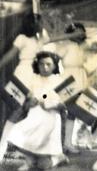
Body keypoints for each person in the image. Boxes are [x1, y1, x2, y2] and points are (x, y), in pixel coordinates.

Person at [0, 14, 55, 162]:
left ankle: (21, 149)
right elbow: (11, 55)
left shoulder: (41, 38)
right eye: (39, 21)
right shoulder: (22, 38)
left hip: (36, 77)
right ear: (31, 24)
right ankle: (2, 147)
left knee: (31, 111)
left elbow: (55, 36)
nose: (42, 24)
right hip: (23, 74)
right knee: (18, 110)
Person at [7, 51, 68, 170]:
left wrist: (51, 105)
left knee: (44, 166)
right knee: (13, 133)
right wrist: (29, 103)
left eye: (48, 64)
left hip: (50, 118)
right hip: (33, 115)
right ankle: (31, 159)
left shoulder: (60, 80)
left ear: (55, 65)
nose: (45, 67)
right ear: (37, 65)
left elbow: (65, 105)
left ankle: (57, 158)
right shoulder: (33, 79)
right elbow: (25, 103)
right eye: (41, 64)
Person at [56, 22, 90, 153]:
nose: (79, 34)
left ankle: (68, 143)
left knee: (73, 112)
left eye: (81, 32)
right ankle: (57, 144)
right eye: (76, 32)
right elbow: (54, 58)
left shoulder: (84, 47)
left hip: (80, 78)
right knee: (61, 110)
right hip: (67, 78)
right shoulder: (66, 46)